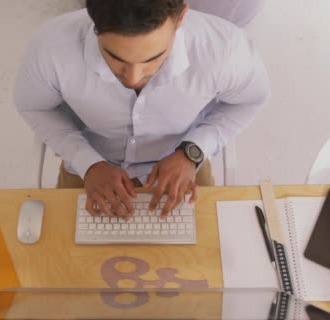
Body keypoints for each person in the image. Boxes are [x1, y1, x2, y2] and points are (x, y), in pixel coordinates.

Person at [14, 0, 270, 219]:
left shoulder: (225, 49)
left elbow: (251, 99)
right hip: (90, 161)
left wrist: (192, 152)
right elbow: (35, 107)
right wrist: (88, 163)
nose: (134, 78)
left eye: (153, 58)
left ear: (181, 16)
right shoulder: (50, 48)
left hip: (185, 162)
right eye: (115, 57)